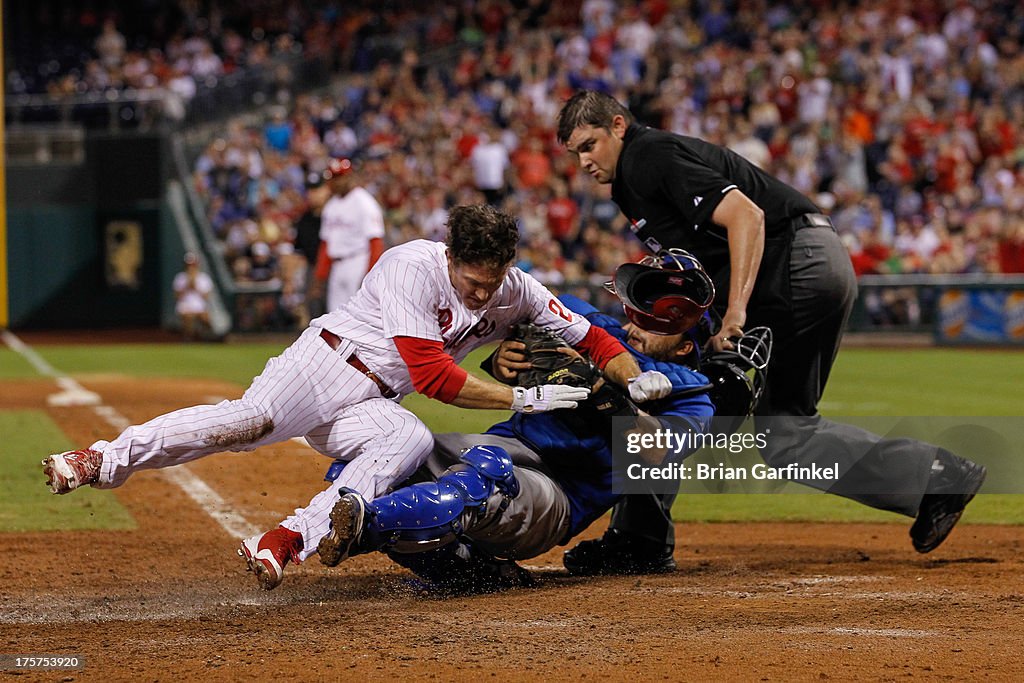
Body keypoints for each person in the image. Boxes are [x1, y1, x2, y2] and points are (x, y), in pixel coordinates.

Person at [42, 204, 672, 590]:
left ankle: (289, 538)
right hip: (327, 364)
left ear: (508, 264)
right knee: (247, 421)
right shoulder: (410, 265)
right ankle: (104, 459)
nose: (482, 296)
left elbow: (589, 335)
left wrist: (633, 376)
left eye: (493, 282)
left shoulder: (520, 291)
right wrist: (525, 397)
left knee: (410, 438)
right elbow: (434, 377)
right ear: (451, 257)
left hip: (378, 399)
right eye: (473, 283)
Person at [553, 90, 987, 573]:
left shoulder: (646, 154)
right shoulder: (631, 177)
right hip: (815, 262)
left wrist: (735, 313)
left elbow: (746, 215)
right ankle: (936, 477)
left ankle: (639, 539)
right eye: (575, 154)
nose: (585, 161)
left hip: (790, 266)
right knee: (788, 435)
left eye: (590, 145)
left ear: (617, 126)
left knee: (666, 397)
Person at [311, 277, 718, 593]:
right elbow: (519, 308)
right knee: (384, 455)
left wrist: (602, 393)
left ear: (685, 347)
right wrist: (504, 358)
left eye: (660, 324)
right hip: (509, 441)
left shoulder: (693, 401)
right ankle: (467, 572)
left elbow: (653, 453)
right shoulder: (595, 326)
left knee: (482, 477)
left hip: (558, 492)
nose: (635, 328)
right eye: (639, 313)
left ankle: (368, 527)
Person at [313, 157, 386, 312]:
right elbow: (326, 245)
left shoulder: (364, 202)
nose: (335, 182)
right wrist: (320, 276)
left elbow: (376, 242)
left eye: (339, 178)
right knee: (335, 315)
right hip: (337, 265)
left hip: (358, 261)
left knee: (359, 315)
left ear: (349, 177)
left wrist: (370, 275)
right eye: (333, 178)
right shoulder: (331, 206)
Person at [172, 252, 214, 341]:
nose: (191, 267)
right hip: (185, 305)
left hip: (200, 306)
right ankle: (188, 338)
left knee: (206, 318)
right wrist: (187, 285)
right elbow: (177, 296)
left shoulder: (204, 277)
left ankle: (206, 337)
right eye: (189, 265)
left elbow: (206, 297)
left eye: (193, 265)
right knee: (188, 316)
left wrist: (195, 285)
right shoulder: (180, 277)